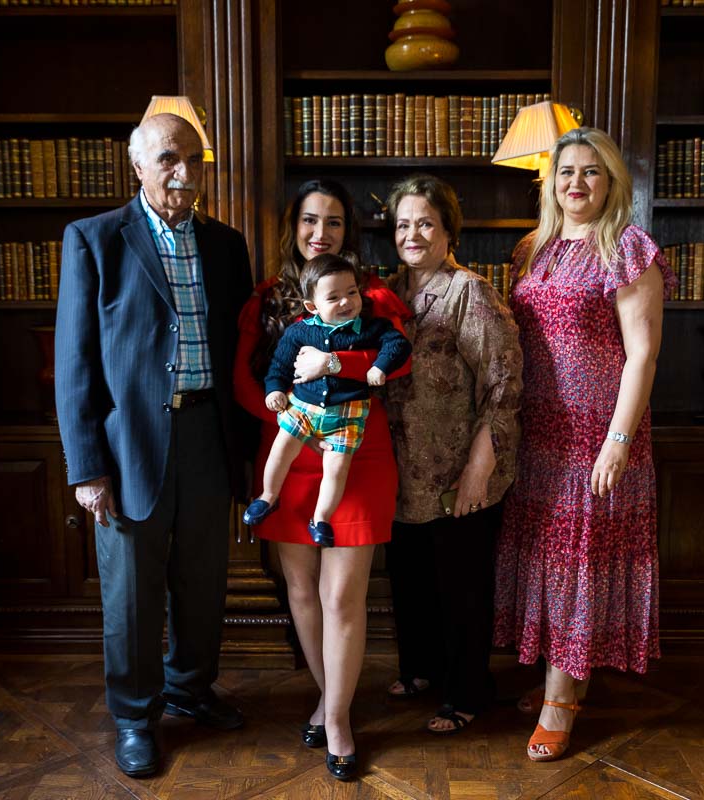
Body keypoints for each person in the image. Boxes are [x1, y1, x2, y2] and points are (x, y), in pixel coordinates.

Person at [55, 113, 253, 778]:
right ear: (137, 164)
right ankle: (136, 717)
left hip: (207, 434)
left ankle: (190, 689)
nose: (185, 173)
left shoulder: (228, 246)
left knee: (203, 583)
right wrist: (87, 468)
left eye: (195, 160)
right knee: (133, 594)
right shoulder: (94, 240)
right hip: (128, 442)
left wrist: (244, 455)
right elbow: (75, 361)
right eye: (170, 158)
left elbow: (241, 353)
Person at [492, 127, 677, 762]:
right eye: (565, 171)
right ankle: (555, 671)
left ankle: (560, 701)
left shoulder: (628, 248)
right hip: (539, 434)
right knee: (547, 554)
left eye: (591, 173)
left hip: (597, 433)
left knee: (579, 560)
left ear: (613, 183)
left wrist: (617, 441)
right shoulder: (531, 249)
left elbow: (644, 353)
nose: (576, 183)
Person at [233, 179, 411, 781]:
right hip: (288, 451)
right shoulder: (267, 299)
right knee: (302, 593)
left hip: (355, 453)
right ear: (294, 227)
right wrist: (287, 414)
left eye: (333, 223)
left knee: (342, 596)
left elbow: (400, 357)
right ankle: (328, 699)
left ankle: (337, 721)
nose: (320, 233)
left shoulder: (371, 296)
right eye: (310, 221)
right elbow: (243, 381)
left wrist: (341, 364)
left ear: (347, 233)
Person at [382, 174, 523, 735]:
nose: (412, 234)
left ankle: (468, 691)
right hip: (400, 470)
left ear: (447, 230)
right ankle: (420, 670)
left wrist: (477, 471)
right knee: (412, 578)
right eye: (402, 224)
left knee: (461, 586)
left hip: (458, 470)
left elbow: (503, 385)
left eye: (424, 223)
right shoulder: (389, 291)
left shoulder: (470, 291)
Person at [244, 254, 411, 547]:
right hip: (303, 408)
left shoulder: (372, 329)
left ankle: (320, 517)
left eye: (351, 292)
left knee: (336, 468)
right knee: (281, 448)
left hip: (346, 415)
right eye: (334, 297)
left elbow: (399, 344)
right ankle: (268, 496)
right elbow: (279, 368)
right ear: (312, 306)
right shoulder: (299, 332)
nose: (346, 302)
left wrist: (378, 366)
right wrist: (274, 391)